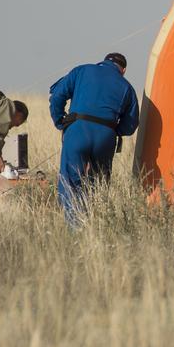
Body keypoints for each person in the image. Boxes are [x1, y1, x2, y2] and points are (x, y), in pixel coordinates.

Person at [49, 52, 140, 223]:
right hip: (106, 136)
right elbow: (131, 124)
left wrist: (60, 121)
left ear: (103, 62)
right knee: (98, 183)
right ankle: (97, 224)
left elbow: (57, 96)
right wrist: (114, 131)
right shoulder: (127, 86)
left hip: (77, 130)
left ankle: (75, 227)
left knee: (70, 181)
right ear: (124, 70)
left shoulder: (82, 70)